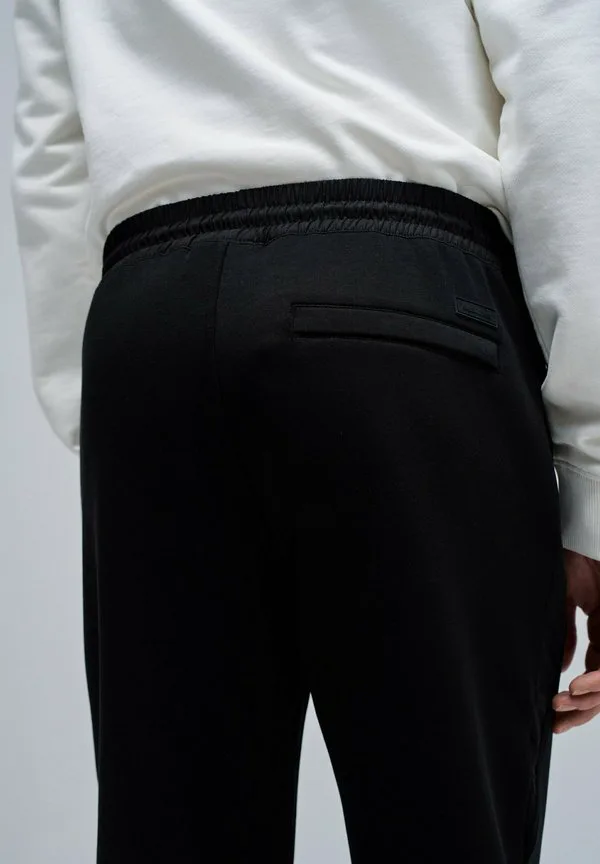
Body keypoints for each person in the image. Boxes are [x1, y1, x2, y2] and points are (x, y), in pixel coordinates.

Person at [9, 1, 600, 861]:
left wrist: (104, 414)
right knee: (449, 825)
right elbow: (565, 89)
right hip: (401, 302)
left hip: (151, 318)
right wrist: (592, 482)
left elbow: (51, 152)